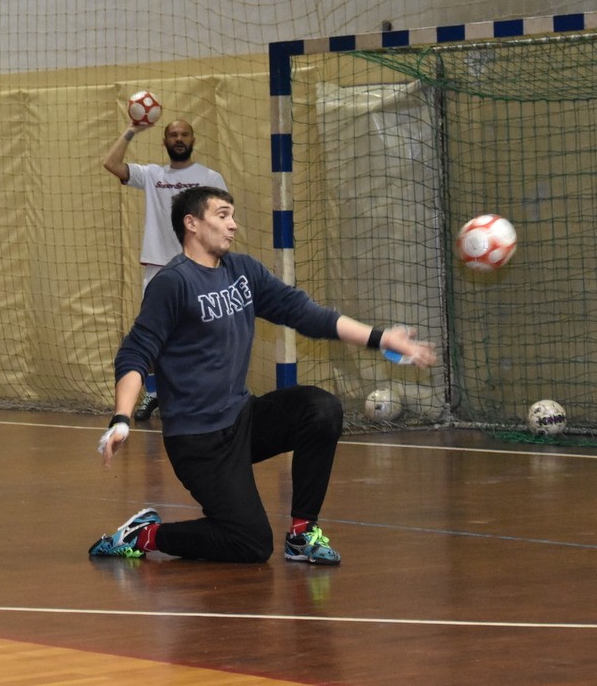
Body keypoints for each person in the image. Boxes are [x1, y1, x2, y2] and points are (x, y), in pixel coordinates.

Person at [88, 186, 437, 565]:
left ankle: (302, 534)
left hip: (241, 418)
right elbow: (135, 353)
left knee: (320, 409)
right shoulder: (173, 283)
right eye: (222, 215)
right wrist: (121, 418)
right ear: (192, 223)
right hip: (198, 439)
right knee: (250, 543)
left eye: (233, 216)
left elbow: (304, 313)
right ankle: (145, 535)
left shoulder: (243, 272)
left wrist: (382, 338)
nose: (233, 225)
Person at [102, 118, 227, 421]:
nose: (179, 138)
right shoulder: (152, 175)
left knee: (202, 333)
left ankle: (204, 394)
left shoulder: (210, 178)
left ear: (193, 139)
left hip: (198, 267)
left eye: (184, 134)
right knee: (153, 335)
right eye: (173, 135)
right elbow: (111, 163)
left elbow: (223, 220)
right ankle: (153, 394)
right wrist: (132, 129)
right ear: (164, 141)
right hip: (159, 269)